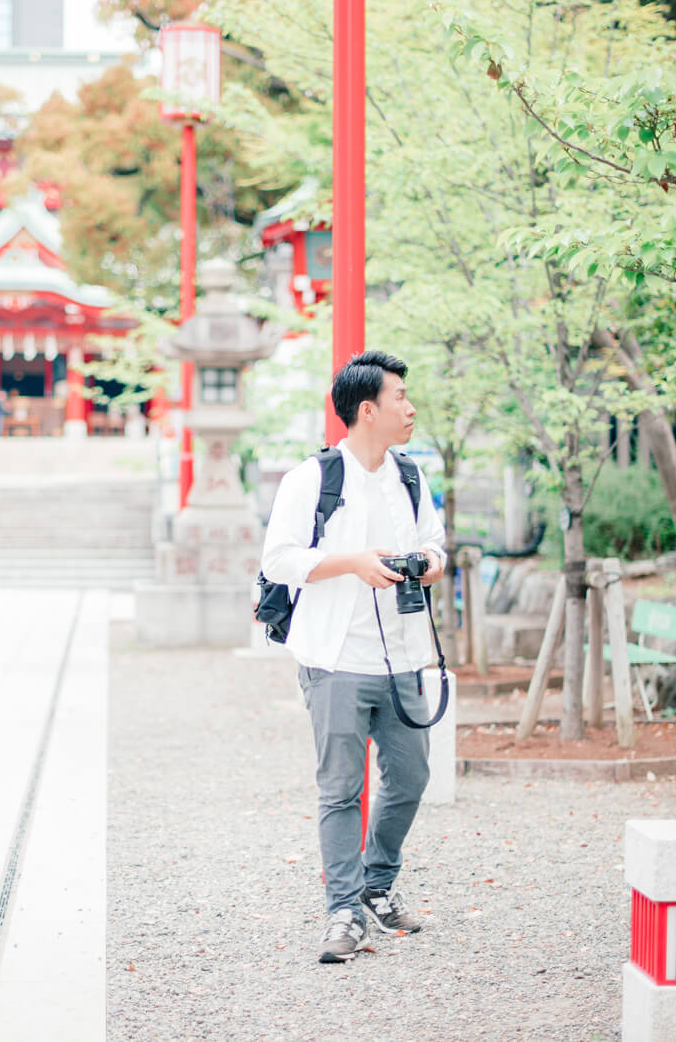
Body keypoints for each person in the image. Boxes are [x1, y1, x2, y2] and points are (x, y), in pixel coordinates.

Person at [259, 350, 447, 964]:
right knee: (340, 788)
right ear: (367, 411)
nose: (410, 407)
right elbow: (278, 560)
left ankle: (376, 884)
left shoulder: (411, 477)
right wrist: (353, 562)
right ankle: (343, 910)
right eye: (399, 398)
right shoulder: (310, 480)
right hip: (335, 657)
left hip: (402, 658)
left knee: (413, 776)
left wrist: (432, 562)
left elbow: (434, 543)